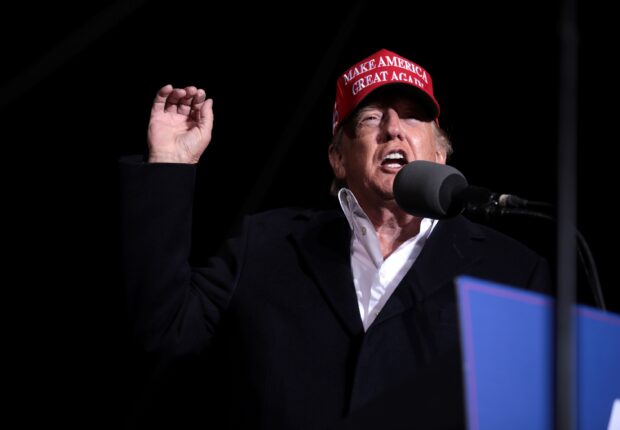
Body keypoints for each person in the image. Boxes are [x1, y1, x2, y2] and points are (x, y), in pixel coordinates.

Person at [120, 48, 551, 429]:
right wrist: (169, 164)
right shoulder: (265, 243)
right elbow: (164, 328)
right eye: (370, 117)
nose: (393, 129)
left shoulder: (512, 271)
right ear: (338, 157)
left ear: (440, 153)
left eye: (413, 117)